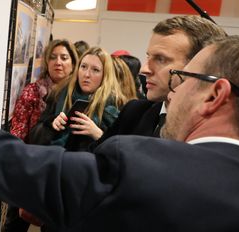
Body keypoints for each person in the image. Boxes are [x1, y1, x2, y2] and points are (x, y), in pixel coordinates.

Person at [0, 35, 239, 232]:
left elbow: (13, 163)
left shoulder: (141, 167)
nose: (172, 92)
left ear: (214, 95)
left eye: (181, 77)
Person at [93, 15, 227, 143]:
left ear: (197, 64)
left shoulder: (213, 131)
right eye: (148, 57)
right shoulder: (134, 113)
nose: (144, 70)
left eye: (161, 59)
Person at [5, 39, 78, 232]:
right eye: (53, 57)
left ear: (73, 62)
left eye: (64, 58)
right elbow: (18, 130)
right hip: (30, 166)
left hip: (60, 173)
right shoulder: (33, 91)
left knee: (52, 231)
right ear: (46, 62)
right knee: (16, 224)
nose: (58, 62)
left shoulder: (78, 94)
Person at [28, 47, 127, 151]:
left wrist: (98, 134)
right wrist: (52, 125)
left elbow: (119, 152)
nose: (87, 74)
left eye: (95, 70)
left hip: (87, 165)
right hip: (53, 160)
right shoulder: (59, 94)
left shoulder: (115, 104)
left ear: (105, 75)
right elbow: (34, 137)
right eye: (83, 67)